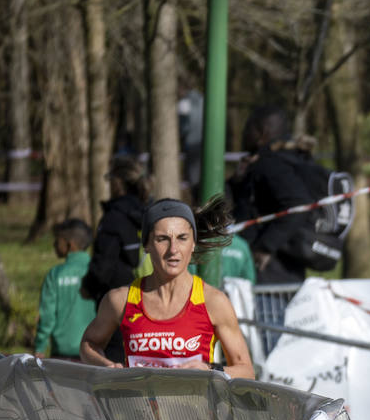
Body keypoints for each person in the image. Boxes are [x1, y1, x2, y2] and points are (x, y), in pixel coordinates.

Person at [79, 198, 255, 380]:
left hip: (195, 408)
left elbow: (247, 371)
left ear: (193, 243)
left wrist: (211, 371)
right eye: (162, 239)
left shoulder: (213, 301)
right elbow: (89, 343)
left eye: (182, 238)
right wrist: (107, 367)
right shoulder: (121, 299)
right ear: (147, 245)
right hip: (136, 408)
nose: (173, 249)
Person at [228, 105, 332, 284]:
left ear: (262, 132)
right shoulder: (289, 160)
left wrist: (266, 247)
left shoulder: (271, 164)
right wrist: (238, 181)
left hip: (268, 270)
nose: (244, 134)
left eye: (248, 129)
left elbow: (299, 204)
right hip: (288, 268)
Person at [81, 157, 152, 363]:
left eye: (109, 179)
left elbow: (103, 266)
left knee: (115, 365)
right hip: (152, 299)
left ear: (118, 182)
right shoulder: (149, 215)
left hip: (119, 306)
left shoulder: (114, 218)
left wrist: (88, 287)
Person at [33, 219, 97, 359]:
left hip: (62, 356)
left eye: (57, 240)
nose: (54, 244)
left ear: (69, 245)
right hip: (94, 353)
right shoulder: (97, 271)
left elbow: (47, 317)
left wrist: (40, 347)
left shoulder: (55, 275)